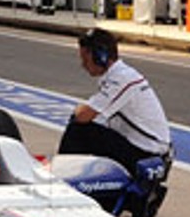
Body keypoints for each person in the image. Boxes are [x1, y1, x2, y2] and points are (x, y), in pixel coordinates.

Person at [58, 27, 171, 172]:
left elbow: (82, 116)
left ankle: (61, 178)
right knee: (92, 128)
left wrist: (78, 113)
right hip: (139, 145)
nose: (83, 65)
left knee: (79, 130)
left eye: (85, 58)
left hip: (147, 152)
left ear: (101, 56)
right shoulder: (117, 76)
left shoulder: (121, 79)